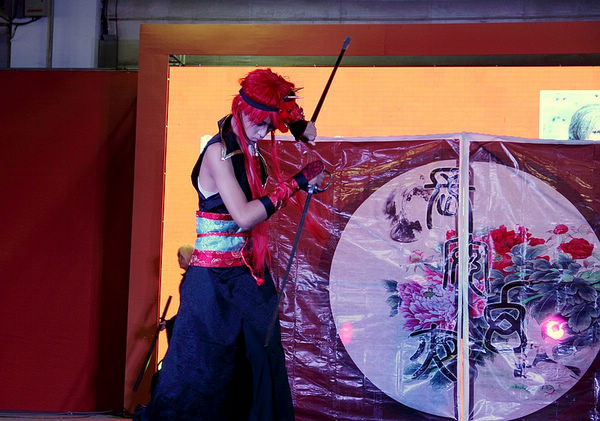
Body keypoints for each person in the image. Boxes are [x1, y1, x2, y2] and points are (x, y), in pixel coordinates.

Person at [137, 68, 325, 421]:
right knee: (201, 372)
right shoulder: (219, 152)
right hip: (212, 282)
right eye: (260, 124)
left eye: (270, 126)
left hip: (249, 277)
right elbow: (244, 216)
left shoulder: (250, 144)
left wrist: (298, 125)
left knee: (261, 362)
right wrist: (297, 182)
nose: (264, 132)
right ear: (242, 111)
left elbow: (289, 117)